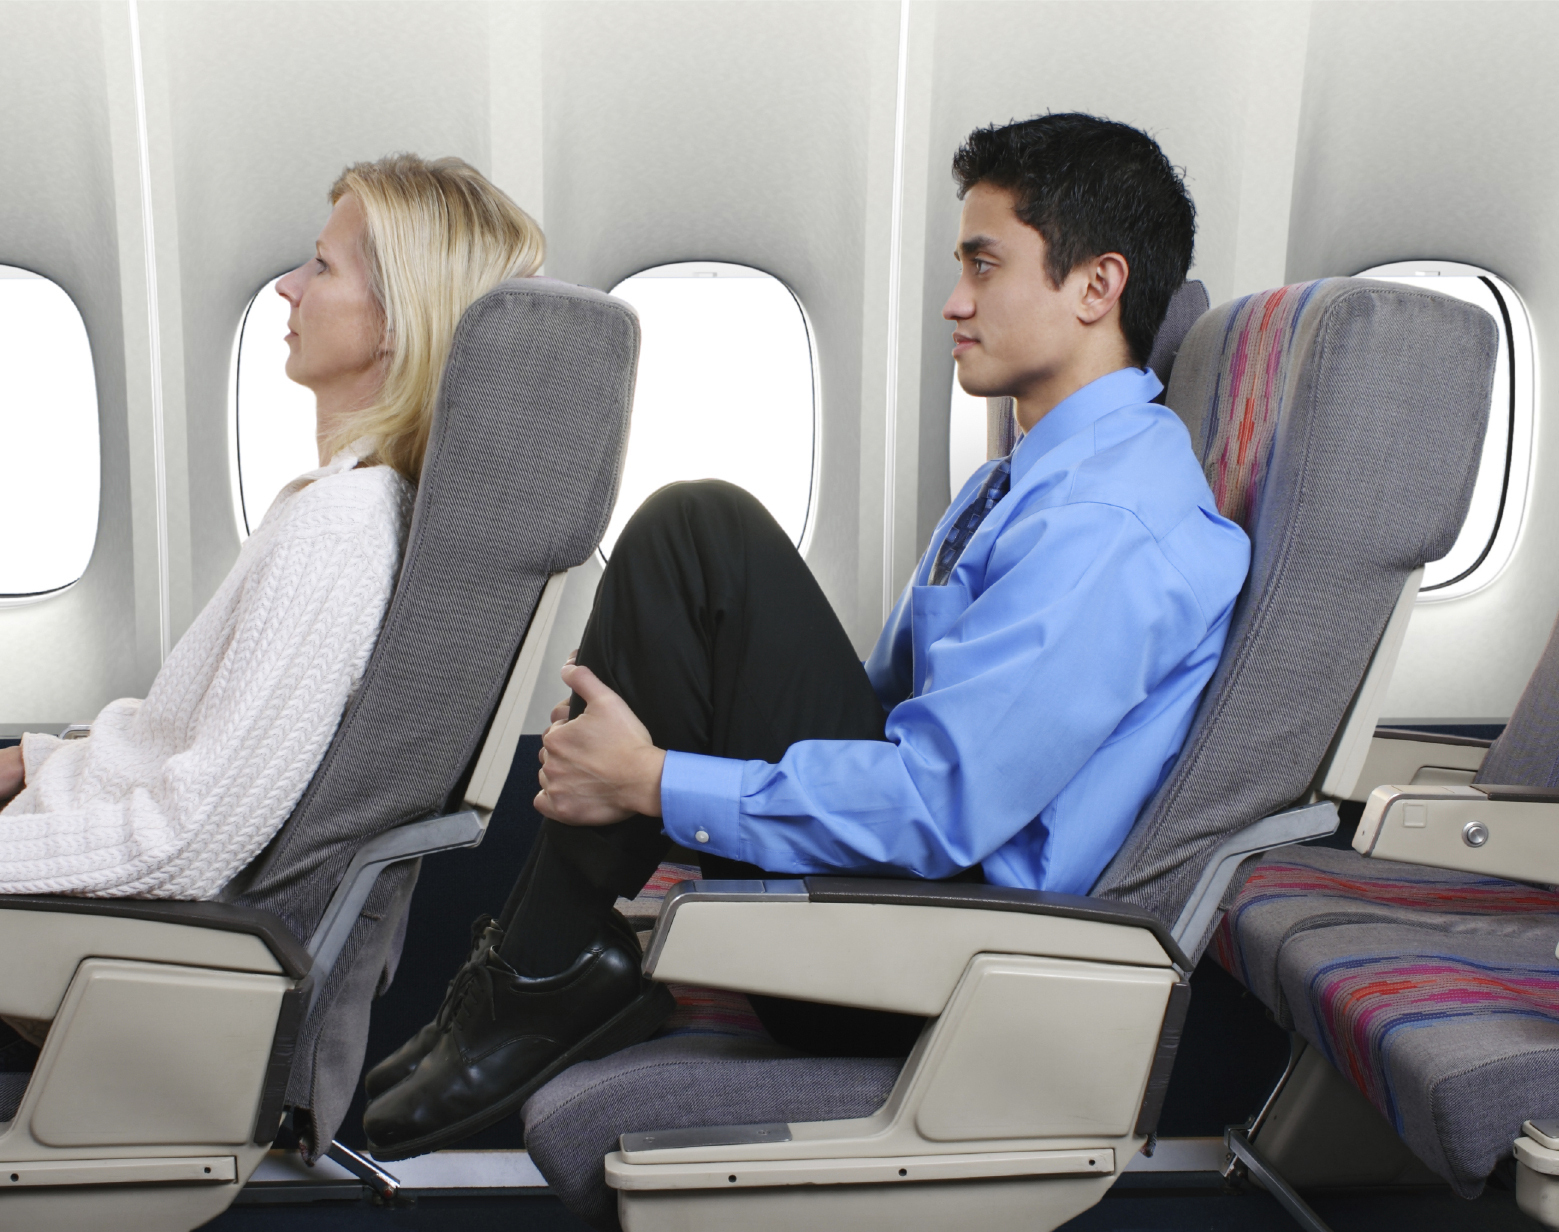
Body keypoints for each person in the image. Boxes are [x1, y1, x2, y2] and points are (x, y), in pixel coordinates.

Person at [361, 113, 1252, 1161]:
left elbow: (940, 807)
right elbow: (883, 703)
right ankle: (537, 966)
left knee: (701, 533)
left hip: (945, 962)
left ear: (1096, 286)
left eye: (983, 264)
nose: (954, 300)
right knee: (691, 549)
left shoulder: (1110, 522)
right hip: (911, 914)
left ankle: (538, 971)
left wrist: (653, 780)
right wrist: (669, 727)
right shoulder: (1029, 481)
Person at [0, 155, 544, 902]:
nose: (288, 287)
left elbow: (183, 844)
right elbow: (194, 741)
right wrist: (38, 762)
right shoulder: (350, 502)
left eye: (321, 266)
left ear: (396, 321)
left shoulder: (338, 533)